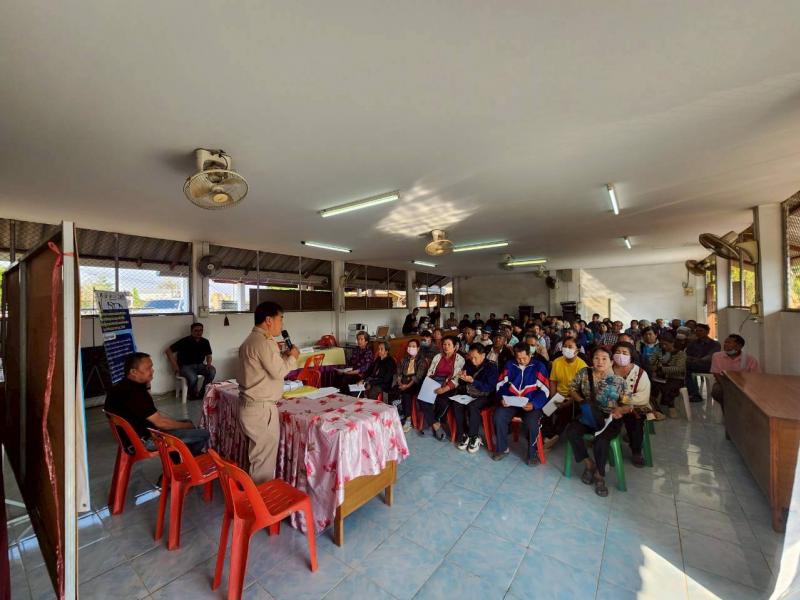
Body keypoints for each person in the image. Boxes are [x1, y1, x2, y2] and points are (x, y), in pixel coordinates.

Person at [238, 301, 300, 483]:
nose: (282, 324)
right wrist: (292, 357)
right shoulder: (264, 342)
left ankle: (253, 495)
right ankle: (261, 499)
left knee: (256, 456)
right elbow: (279, 372)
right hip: (261, 410)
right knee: (263, 462)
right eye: (280, 319)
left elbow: (266, 368)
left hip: (250, 406)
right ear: (268, 320)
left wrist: (283, 357)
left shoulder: (251, 340)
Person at [105, 352, 210, 455]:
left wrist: (147, 385)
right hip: (145, 441)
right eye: (148, 368)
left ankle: (180, 459)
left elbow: (152, 414)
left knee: (186, 422)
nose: (152, 370)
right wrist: (188, 426)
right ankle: (185, 462)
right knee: (203, 434)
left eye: (151, 367)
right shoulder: (133, 393)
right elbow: (161, 423)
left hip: (134, 437)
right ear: (133, 372)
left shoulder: (122, 386)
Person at [564, 347, 628, 496]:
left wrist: (620, 410)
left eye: (604, 359)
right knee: (572, 432)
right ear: (591, 360)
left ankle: (600, 475)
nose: (600, 362)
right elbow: (572, 388)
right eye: (596, 358)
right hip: (589, 416)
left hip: (609, 419)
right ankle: (589, 464)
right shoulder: (584, 373)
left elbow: (629, 404)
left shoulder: (619, 381)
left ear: (611, 362)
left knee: (601, 441)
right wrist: (581, 401)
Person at [492, 343, 550, 464]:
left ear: (530, 354)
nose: (521, 361)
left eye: (524, 358)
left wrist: (534, 404)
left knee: (532, 422)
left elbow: (545, 391)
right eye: (518, 358)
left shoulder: (539, 366)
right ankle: (502, 449)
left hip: (530, 404)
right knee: (498, 415)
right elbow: (500, 385)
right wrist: (503, 398)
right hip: (511, 402)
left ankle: (532, 454)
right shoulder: (510, 365)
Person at [541, 338, 587, 449]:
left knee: (565, 412)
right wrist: (553, 398)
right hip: (558, 394)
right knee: (546, 410)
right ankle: (547, 435)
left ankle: (554, 436)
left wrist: (567, 401)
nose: (566, 349)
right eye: (565, 346)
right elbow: (553, 381)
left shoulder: (582, 366)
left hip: (573, 397)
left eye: (570, 347)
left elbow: (580, 390)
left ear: (577, 350)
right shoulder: (557, 361)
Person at [452, 344, 499, 453]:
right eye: (471, 357)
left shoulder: (491, 367)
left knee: (473, 406)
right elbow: (462, 382)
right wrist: (462, 377)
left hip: (486, 396)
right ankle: (464, 434)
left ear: (483, 355)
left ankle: (474, 436)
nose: (473, 360)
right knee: (456, 404)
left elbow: (489, 387)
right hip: (470, 393)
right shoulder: (468, 363)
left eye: (475, 358)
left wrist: (473, 381)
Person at [611, 342, 652, 467]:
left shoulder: (640, 373)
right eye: (617, 352)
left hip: (634, 406)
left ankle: (636, 451)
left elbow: (643, 397)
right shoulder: (608, 368)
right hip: (611, 406)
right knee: (606, 418)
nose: (621, 355)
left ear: (631, 356)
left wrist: (623, 401)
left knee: (635, 422)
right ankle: (606, 445)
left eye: (625, 353)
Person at [419, 335, 465, 440]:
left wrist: (444, 389)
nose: (446, 347)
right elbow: (430, 371)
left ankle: (433, 422)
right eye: (444, 344)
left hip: (448, 384)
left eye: (449, 344)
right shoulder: (438, 356)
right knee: (422, 398)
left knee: (442, 401)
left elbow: (457, 379)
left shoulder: (460, 359)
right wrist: (429, 384)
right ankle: (436, 425)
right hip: (434, 382)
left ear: (455, 347)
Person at [165, 322, 216, 400]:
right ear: (191, 331)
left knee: (212, 371)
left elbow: (208, 355)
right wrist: (175, 366)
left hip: (200, 365)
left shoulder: (205, 342)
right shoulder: (184, 341)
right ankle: (193, 395)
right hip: (185, 366)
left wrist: (209, 364)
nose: (199, 332)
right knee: (193, 378)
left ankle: (202, 393)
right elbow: (168, 351)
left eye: (201, 330)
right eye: (196, 330)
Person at [710, 334, 760, 408]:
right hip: (723, 382)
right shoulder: (717, 356)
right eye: (725, 342)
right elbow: (716, 373)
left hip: (743, 384)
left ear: (739, 346)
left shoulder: (750, 359)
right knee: (717, 391)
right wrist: (727, 386)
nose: (725, 344)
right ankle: (727, 409)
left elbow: (755, 376)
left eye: (728, 342)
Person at [392, 339, 427, 431]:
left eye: (413, 346)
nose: (411, 348)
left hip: (415, 383)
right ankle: (397, 414)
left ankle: (408, 420)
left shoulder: (421, 360)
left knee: (406, 393)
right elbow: (399, 372)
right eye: (409, 346)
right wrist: (400, 382)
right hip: (403, 380)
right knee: (393, 390)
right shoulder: (404, 359)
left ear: (418, 348)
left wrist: (407, 386)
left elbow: (418, 376)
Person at [649, 335, 686, 419]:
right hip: (660, 378)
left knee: (668, 388)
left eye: (666, 344)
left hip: (676, 378)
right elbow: (651, 363)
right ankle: (657, 411)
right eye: (662, 344)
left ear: (672, 343)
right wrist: (655, 355)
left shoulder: (680, 354)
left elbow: (679, 369)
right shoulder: (659, 352)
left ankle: (671, 406)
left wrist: (662, 369)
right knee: (651, 389)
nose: (663, 346)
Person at [685, 324, 721, 402]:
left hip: (708, 366)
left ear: (707, 332)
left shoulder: (714, 344)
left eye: (701, 331)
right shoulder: (693, 343)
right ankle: (693, 393)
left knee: (685, 367)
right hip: (694, 365)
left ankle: (694, 394)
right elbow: (687, 355)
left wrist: (695, 360)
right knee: (684, 369)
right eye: (697, 331)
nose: (698, 332)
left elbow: (709, 357)